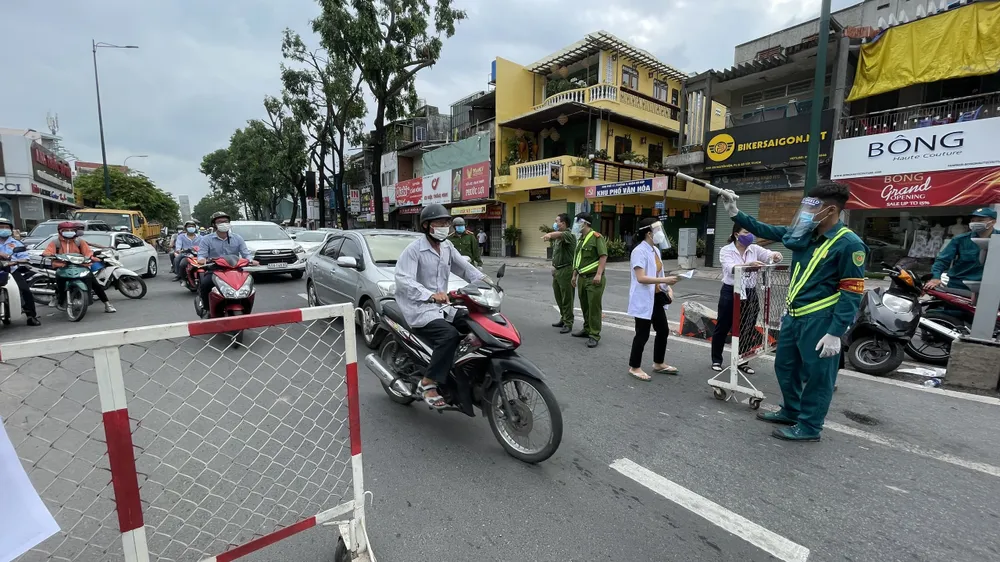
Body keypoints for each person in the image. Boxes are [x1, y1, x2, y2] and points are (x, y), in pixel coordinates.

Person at [720, 181, 866, 442]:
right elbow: (770, 230)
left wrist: (836, 332)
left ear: (831, 210)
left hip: (821, 318)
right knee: (786, 366)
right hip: (794, 315)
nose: (807, 213)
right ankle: (791, 410)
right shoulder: (805, 234)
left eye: (813, 207)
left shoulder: (849, 244)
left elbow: (851, 291)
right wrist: (734, 213)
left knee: (819, 376)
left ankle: (810, 426)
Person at [395, 204, 484, 408]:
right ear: (426, 226)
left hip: (443, 306)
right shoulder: (414, 250)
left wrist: (485, 282)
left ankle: (462, 369)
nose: (445, 226)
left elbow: (465, 267)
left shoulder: (447, 247)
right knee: (449, 336)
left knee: (474, 321)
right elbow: (404, 280)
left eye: (446, 222)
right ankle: (429, 382)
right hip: (419, 308)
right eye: (440, 223)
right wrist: (430, 295)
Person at [711, 224, 783, 374]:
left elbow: (771, 255)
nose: (750, 235)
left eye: (751, 232)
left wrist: (776, 256)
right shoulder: (726, 250)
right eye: (746, 232)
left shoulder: (754, 249)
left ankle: (742, 360)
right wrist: (748, 264)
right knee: (723, 326)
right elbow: (730, 268)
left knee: (747, 327)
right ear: (736, 234)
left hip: (749, 292)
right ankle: (716, 360)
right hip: (731, 291)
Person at [627, 218, 680, 380]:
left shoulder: (655, 250)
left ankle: (658, 363)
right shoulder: (639, 251)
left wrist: (668, 288)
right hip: (643, 298)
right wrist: (665, 281)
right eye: (657, 230)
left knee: (663, 330)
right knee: (642, 334)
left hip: (656, 297)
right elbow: (641, 278)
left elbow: (659, 274)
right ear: (649, 233)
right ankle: (634, 367)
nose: (661, 233)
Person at [42, 221, 116, 313]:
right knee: (59, 283)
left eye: (71, 230)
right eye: (66, 230)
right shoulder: (55, 242)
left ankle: (107, 304)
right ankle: (58, 298)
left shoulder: (79, 242)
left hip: (81, 266)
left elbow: (88, 252)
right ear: (60, 231)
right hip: (62, 266)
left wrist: (91, 258)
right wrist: (49, 255)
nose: (69, 232)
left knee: (95, 284)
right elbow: (47, 252)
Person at [196, 212, 257, 317]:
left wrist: (251, 260)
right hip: (215, 269)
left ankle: (246, 308)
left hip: (235, 269)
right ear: (214, 224)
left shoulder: (237, 238)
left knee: (249, 284)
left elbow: (245, 254)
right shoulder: (207, 239)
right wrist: (202, 259)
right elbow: (201, 255)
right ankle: (206, 309)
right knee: (206, 283)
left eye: (226, 221)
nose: (223, 224)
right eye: (220, 222)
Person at [925, 207, 998, 293]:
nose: (975, 223)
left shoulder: (998, 238)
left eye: (980, 220)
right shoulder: (960, 239)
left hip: (991, 286)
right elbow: (942, 260)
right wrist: (935, 278)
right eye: (973, 220)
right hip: (960, 285)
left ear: (992, 222)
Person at [571, 212, 608, 348]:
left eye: (577, 222)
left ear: (585, 223)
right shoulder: (581, 239)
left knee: (594, 308)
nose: (575, 225)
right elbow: (578, 259)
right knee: (585, 306)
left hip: (594, 278)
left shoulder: (596, 237)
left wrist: (599, 274)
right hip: (582, 277)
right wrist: (574, 275)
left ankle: (594, 334)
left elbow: (603, 256)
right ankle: (587, 329)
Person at [0, 217, 41, 326]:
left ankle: (31, 316)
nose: (4, 229)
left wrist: (18, 261)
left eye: (6, 227)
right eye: (1, 227)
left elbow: (25, 257)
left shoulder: (16, 243)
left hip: (11, 271)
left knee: (25, 290)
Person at [541, 213, 576, 334]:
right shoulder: (558, 238)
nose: (555, 223)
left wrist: (550, 234)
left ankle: (568, 322)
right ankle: (563, 317)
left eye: (557, 221)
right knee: (558, 296)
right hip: (558, 270)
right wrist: (553, 267)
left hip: (567, 270)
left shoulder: (569, 234)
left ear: (564, 223)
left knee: (567, 298)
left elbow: (560, 235)